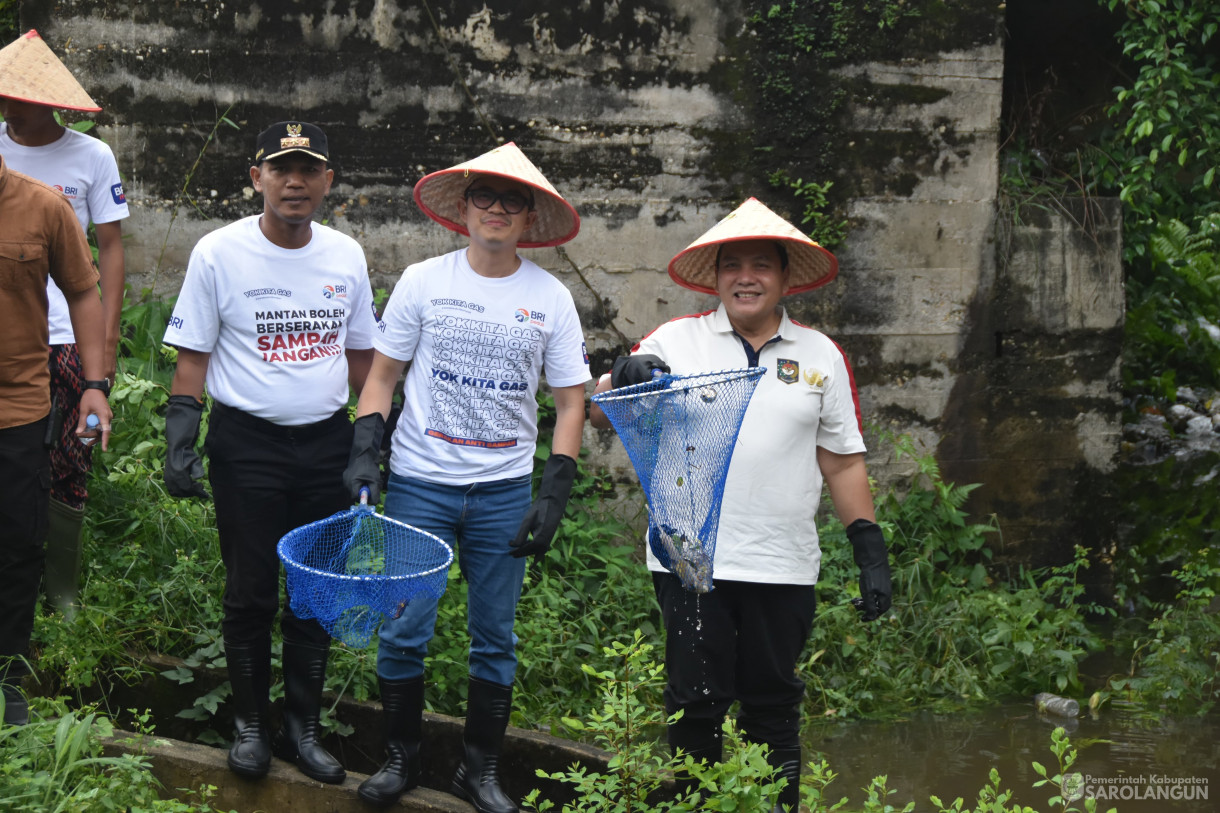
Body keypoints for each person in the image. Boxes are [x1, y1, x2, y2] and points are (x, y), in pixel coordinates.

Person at [590, 197, 893, 812]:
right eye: (733, 265)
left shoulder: (819, 355)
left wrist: (869, 547)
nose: (746, 277)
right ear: (717, 277)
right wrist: (624, 372)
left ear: (785, 280)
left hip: (782, 564)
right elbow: (607, 401)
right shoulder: (678, 339)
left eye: (761, 265)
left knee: (774, 705)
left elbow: (841, 459)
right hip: (692, 560)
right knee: (695, 703)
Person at [343, 142, 589, 811]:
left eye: (513, 200)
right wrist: (368, 446)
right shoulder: (425, 280)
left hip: (504, 491)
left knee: (496, 636)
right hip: (421, 482)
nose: (498, 209)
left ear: (528, 215)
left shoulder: (550, 298)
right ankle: (401, 757)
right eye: (486, 195)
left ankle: (478, 771)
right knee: (403, 625)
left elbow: (571, 402)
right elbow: (383, 377)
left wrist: (552, 493)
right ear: (465, 206)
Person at [162, 121, 377, 784]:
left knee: (314, 593)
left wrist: (372, 445)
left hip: (325, 444)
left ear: (327, 182)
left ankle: (303, 729)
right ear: (256, 177)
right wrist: (180, 440)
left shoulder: (346, 256)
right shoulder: (218, 253)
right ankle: (252, 725)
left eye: (308, 169)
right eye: (280, 168)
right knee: (250, 590)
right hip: (246, 445)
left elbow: (364, 359)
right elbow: (193, 358)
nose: (294, 181)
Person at [0, 30, 129, 617]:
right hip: (14, 332)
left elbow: (110, 250)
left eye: (16, 98)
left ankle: (62, 590)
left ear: (46, 100)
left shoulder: (90, 156)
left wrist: (106, 339)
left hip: (68, 335)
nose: (8, 108)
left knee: (72, 453)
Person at [0, 152, 112, 726]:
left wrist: (95, 383)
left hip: (19, 406)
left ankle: (6, 677)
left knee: (19, 543)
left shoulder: (43, 205)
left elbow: (83, 292)